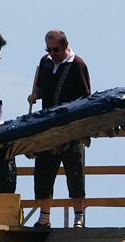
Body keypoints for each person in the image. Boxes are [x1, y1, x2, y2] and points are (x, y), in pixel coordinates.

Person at [27, 30, 91, 228]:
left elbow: (86, 97)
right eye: (49, 49)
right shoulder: (45, 62)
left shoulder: (77, 64)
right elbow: (39, 89)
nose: (52, 53)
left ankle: (78, 216)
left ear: (65, 46)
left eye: (56, 49)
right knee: (44, 171)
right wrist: (34, 95)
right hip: (47, 127)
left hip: (70, 127)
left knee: (75, 171)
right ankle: (44, 217)